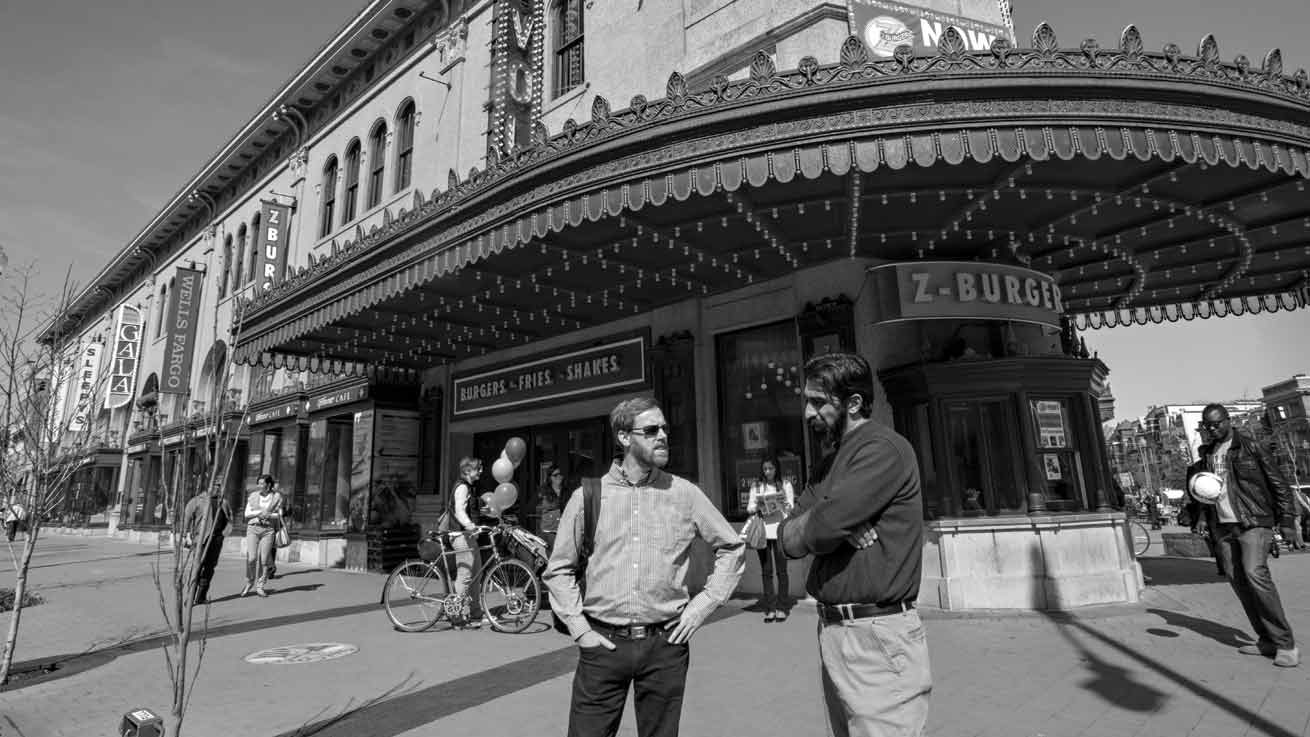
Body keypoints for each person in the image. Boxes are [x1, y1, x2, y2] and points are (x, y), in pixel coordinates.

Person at [544, 396, 745, 737]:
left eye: (665, 428)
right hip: (602, 644)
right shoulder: (587, 496)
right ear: (624, 437)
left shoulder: (684, 493)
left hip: (665, 645)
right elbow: (558, 569)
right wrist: (580, 630)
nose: (663, 435)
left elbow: (732, 546)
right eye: (651, 430)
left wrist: (702, 606)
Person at [779, 352, 932, 737]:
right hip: (833, 632)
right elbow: (786, 539)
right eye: (806, 401)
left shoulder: (883, 449)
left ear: (853, 403)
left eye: (818, 402)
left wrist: (825, 522)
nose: (808, 413)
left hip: (878, 636)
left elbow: (818, 528)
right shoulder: (827, 463)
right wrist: (833, 523)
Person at [1187, 404, 1299, 668]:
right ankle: (1266, 639)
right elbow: (1206, 493)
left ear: (1228, 421)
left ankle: (1286, 644)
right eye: (1208, 425)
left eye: (1217, 424)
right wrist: (1203, 517)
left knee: (1255, 574)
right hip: (1222, 526)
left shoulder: (1251, 446)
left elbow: (1279, 483)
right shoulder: (1207, 454)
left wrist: (1287, 521)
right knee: (1238, 580)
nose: (1212, 429)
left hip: (1253, 521)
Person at [746, 454, 795, 622]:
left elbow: (791, 508)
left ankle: (782, 607)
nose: (768, 472)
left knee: (782, 571)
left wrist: (783, 504)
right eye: (765, 469)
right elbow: (749, 508)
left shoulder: (785, 484)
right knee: (767, 572)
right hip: (763, 534)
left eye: (771, 468)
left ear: (776, 468)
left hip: (780, 531)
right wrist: (757, 506)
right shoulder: (757, 486)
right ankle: (770, 608)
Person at [183, 480, 233, 605]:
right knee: (197, 568)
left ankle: (201, 596)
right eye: (216, 485)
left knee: (210, 568)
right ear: (209, 486)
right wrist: (186, 536)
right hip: (201, 539)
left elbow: (229, 519)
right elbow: (187, 519)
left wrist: (224, 534)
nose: (218, 488)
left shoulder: (223, 502)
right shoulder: (196, 501)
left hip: (216, 539)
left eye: (219, 486)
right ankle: (190, 597)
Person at [450, 456, 486, 627]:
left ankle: (476, 613)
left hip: (469, 536)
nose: (481, 471)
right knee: (465, 576)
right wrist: (471, 525)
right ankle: (456, 615)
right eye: (478, 468)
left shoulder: (470, 487)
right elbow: (459, 511)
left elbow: (470, 509)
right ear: (467, 471)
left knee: (476, 574)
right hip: (461, 536)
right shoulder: (462, 487)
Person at [242, 474, 283, 598]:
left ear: (268, 484)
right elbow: (247, 513)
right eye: (258, 483)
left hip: (268, 530)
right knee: (252, 558)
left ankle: (260, 586)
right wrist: (261, 513)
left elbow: (279, 515)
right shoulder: (253, 496)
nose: (259, 486)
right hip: (253, 528)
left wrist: (268, 515)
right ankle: (249, 582)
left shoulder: (276, 497)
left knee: (264, 560)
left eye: (261, 483)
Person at [537, 464, 564, 549]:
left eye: (560, 474)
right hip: (550, 529)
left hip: (562, 528)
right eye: (555, 475)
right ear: (550, 478)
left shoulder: (565, 489)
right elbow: (546, 506)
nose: (559, 476)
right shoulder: (545, 491)